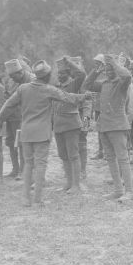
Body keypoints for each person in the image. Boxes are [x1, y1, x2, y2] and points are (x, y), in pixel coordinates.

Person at [0, 60, 89, 207]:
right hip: (42, 134)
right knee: (40, 165)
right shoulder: (48, 89)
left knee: (28, 165)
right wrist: (85, 96)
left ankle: (26, 198)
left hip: (26, 132)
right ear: (47, 76)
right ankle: (38, 199)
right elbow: (68, 98)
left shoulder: (23, 89)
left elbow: (8, 105)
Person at [83, 54, 133, 201]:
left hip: (118, 126)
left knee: (123, 159)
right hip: (104, 126)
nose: (109, 72)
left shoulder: (122, 83)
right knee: (110, 159)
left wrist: (114, 63)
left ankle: (129, 192)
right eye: (107, 70)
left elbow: (127, 75)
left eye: (112, 70)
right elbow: (86, 85)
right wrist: (97, 70)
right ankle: (118, 190)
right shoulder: (104, 84)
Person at [53, 56, 87, 194]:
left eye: (63, 73)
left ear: (68, 74)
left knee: (73, 155)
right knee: (63, 156)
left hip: (71, 125)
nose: (60, 76)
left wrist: (69, 63)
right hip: (58, 125)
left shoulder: (73, 84)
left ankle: (76, 185)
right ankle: (68, 183)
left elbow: (82, 74)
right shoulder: (55, 87)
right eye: (59, 73)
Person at [3, 59, 34, 179]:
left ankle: (81, 171)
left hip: (76, 123)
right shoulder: (11, 81)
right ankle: (15, 169)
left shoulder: (32, 80)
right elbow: (7, 96)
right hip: (11, 116)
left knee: (22, 143)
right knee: (11, 143)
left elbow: (87, 105)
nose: (12, 78)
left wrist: (86, 125)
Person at [89, 53, 106, 160]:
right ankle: (100, 151)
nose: (96, 65)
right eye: (95, 63)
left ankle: (105, 151)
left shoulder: (107, 74)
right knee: (99, 130)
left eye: (98, 63)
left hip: (104, 107)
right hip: (96, 106)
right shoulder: (94, 74)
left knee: (105, 130)